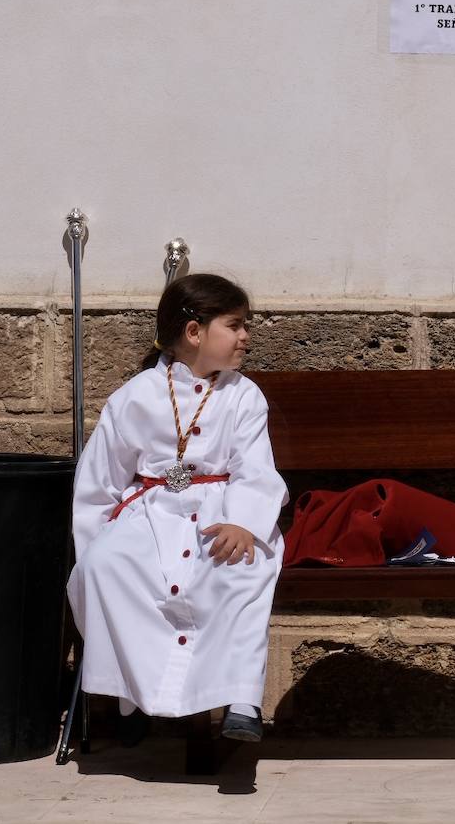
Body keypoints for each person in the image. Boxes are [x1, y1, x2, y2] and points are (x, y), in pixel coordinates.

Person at [67, 273, 288, 744]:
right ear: (194, 332)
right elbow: (100, 480)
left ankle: (240, 698)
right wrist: (97, 541)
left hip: (221, 513)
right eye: (235, 325)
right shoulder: (135, 396)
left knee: (240, 571)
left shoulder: (243, 395)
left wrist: (244, 522)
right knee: (105, 566)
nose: (246, 336)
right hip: (149, 514)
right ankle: (132, 692)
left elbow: (255, 469)